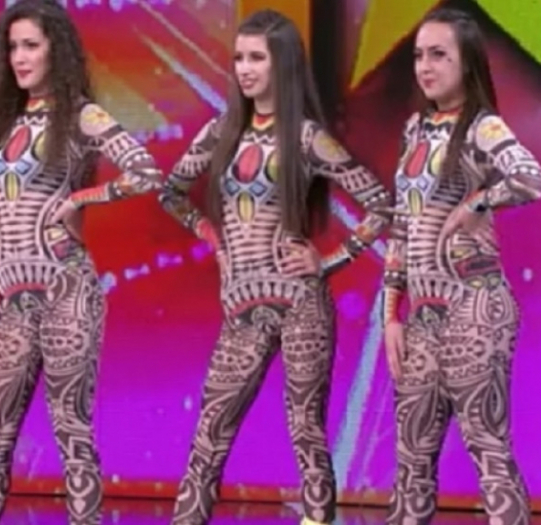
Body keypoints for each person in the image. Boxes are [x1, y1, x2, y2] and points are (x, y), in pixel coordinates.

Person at [159, 10, 393, 525]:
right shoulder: (221, 132)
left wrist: (329, 260)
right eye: (239, 58)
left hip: (299, 302)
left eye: (256, 58)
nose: (244, 68)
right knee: (210, 431)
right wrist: (214, 240)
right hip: (243, 306)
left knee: (305, 430)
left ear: (282, 64)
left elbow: (383, 205)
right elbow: (170, 192)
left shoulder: (307, 138)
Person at [0, 1, 162, 523]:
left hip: (65, 288)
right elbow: (2, 215)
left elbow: (145, 172)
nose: (19, 58)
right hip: (12, 297)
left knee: (71, 428)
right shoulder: (9, 123)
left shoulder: (80, 114)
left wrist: (79, 200)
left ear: (57, 50)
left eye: (31, 45)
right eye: (13, 47)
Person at [382, 8, 539, 525]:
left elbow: (532, 177)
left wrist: (479, 202)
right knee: (411, 460)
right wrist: (390, 317)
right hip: (422, 315)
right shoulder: (415, 129)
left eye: (438, 55)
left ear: (466, 62)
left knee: (487, 447)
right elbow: (401, 226)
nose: (425, 67)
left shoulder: (482, 125)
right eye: (418, 56)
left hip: (475, 304)